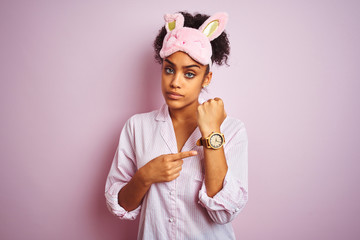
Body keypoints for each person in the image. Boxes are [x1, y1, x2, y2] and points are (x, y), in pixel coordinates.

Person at [105, 11, 248, 240]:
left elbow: (222, 213)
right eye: (169, 69)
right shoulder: (137, 127)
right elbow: (121, 205)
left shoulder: (232, 130)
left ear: (206, 78)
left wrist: (212, 132)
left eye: (189, 74)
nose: (175, 82)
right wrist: (145, 176)